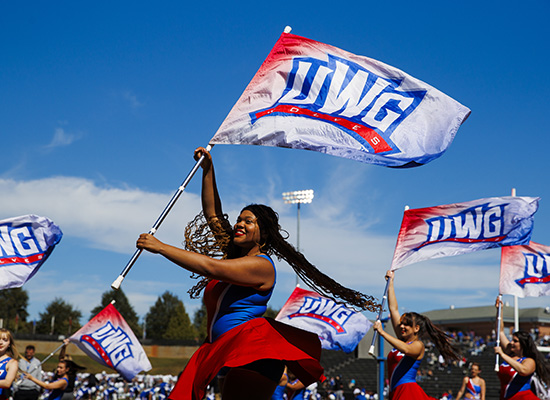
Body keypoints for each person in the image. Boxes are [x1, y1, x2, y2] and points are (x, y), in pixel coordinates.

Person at [136, 147, 379, 400]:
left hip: (254, 354)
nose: (239, 224)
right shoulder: (236, 256)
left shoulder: (262, 266)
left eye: (248, 221)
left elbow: (211, 267)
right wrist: (208, 169)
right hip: (225, 350)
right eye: (239, 219)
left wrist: (162, 247)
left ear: (263, 233)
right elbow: (213, 214)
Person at [373, 270, 460, 400]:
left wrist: (382, 332)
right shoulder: (402, 339)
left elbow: (406, 349)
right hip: (396, 392)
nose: (401, 326)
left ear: (416, 328)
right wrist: (391, 282)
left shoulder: (418, 345)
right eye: (401, 323)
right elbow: (394, 309)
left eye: (406, 325)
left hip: (408, 392)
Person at [494, 297, 550, 400]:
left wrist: (502, 355)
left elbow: (523, 371)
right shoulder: (509, 352)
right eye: (511, 340)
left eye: (515, 341)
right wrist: (499, 310)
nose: (511, 343)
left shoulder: (529, 361)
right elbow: (500, 332)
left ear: (523, 344)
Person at [0, 328, 19, 400]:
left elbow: (7, 383)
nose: (1, 342)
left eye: (5, 340)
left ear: (9, 344)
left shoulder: (12, 362)